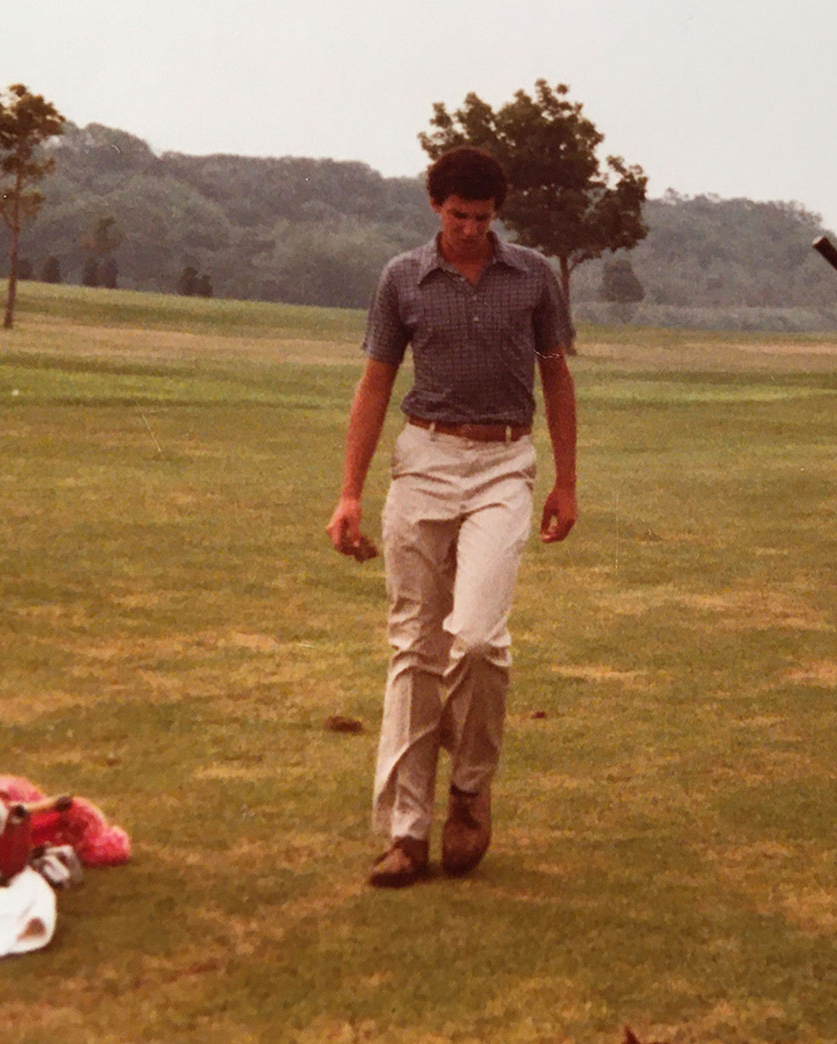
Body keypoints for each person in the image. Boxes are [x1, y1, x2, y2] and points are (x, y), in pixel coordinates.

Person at [326, 146, 578, 889]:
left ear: (498, 214)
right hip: (424, 462)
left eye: (483, 218)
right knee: (414, 649)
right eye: (458, 215)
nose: (470, 230)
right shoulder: (402, 279)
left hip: (504, 464)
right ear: (436, 206)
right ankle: (404, 832)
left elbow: (557, 377)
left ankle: (469, 789)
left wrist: (567, 481)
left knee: (474, 640)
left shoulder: (530, 275)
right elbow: (374, 383)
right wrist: (349, 493)